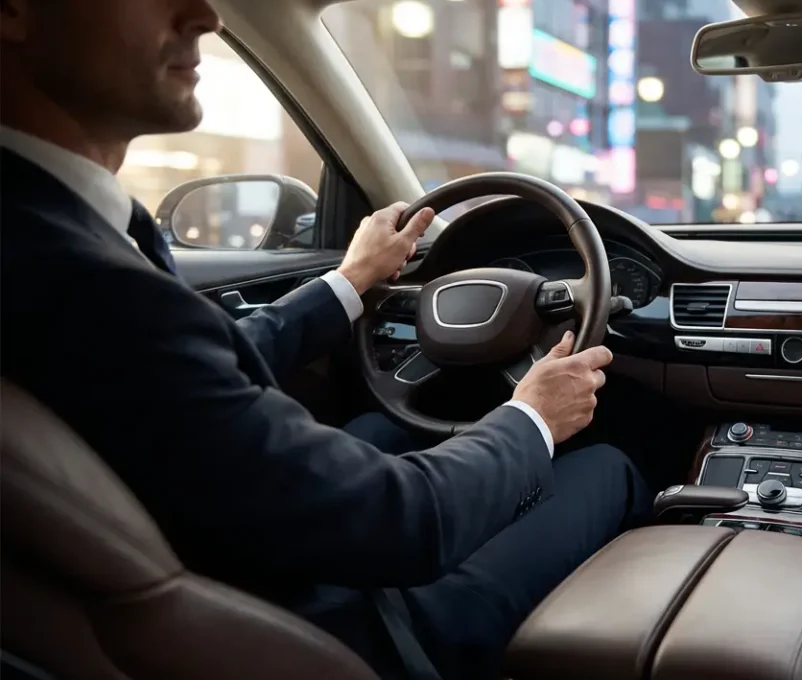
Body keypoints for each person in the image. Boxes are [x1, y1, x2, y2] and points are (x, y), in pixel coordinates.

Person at [0, 0, 651, 678]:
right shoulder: (81, 282)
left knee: (383, 423)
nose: (206, 16)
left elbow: (194, 368)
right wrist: (533, 417)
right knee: (610, 466)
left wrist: (349, 282)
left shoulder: (48, 238)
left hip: (223, 562)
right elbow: (407, 521)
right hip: (337, 625)